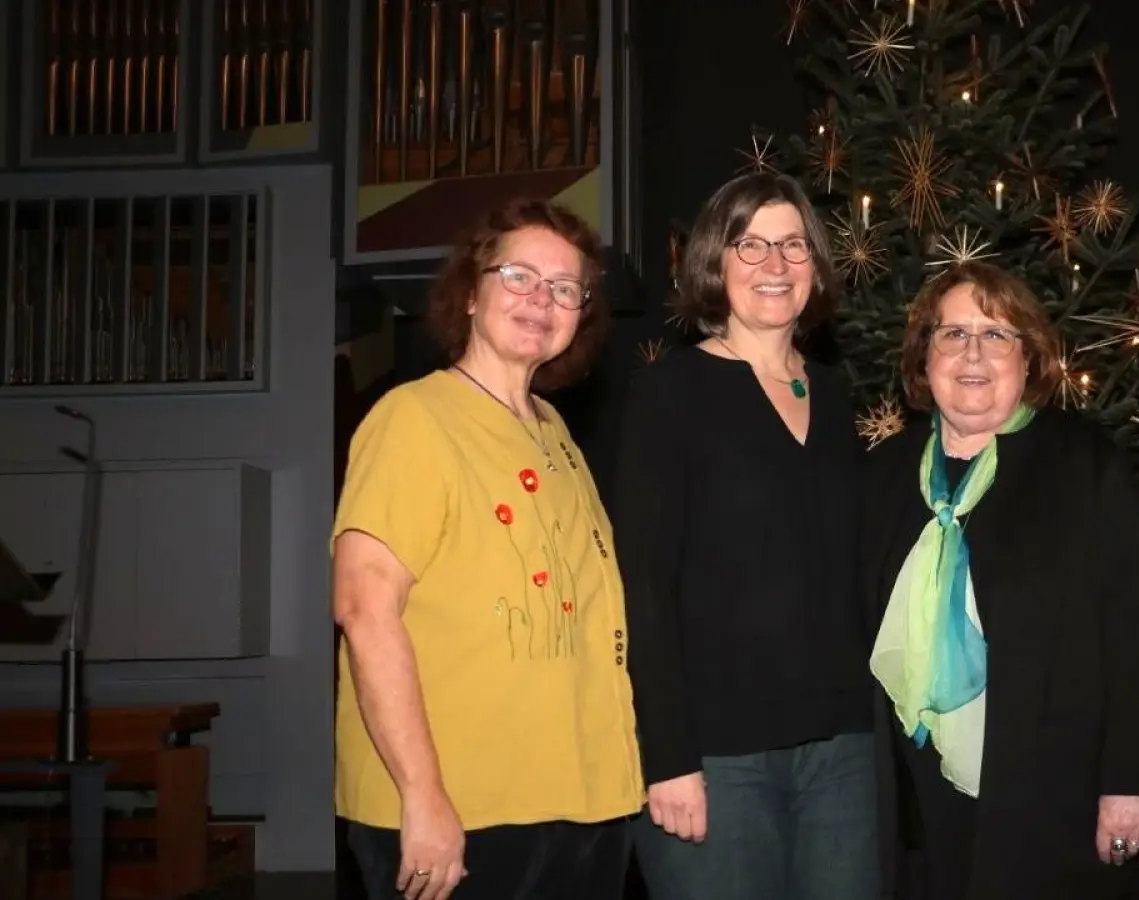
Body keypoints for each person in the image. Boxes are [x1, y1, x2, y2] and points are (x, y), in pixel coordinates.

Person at [331, 198, 643, 900]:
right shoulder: (413, 419)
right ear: (471, 293)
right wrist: (424, 796)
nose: (543, 299)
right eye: (519, 275)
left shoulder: (557, 432)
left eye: (565, 288)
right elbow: (364, 609)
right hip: (464, 812)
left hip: (581, 804)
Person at [860, 262, 1139, 899]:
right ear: (924, 358)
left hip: (1053, 794)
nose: (972, 353)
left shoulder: (1085, 465)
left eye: (997, 335)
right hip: (914, 798)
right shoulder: (885, 475)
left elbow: (1138, 633)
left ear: (1029, 360)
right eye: (951, 335)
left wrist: (1132, 782)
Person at [612, 171, 880, 900]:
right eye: (750, 244)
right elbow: (643, 586)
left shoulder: (833, 392)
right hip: (715, 755)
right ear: (713, 263)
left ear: (817, 267)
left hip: (843, 750)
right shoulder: (668, 393)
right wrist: (665, 757)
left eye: (794, 245)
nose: (774, 265)